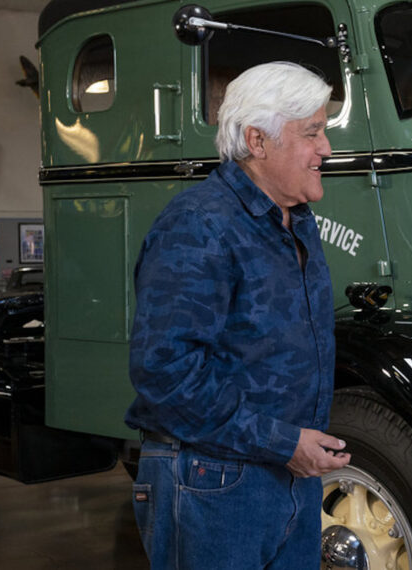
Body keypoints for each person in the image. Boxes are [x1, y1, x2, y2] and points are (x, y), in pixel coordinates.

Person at [125, 61, 351, 569]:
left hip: (288, 475)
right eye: (312, 133)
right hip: (213, 481)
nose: (326, 150)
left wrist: (294, 449)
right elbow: (164, 373)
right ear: (257, 140)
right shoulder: (199, 225)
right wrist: (284, 442)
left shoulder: (296, 221)